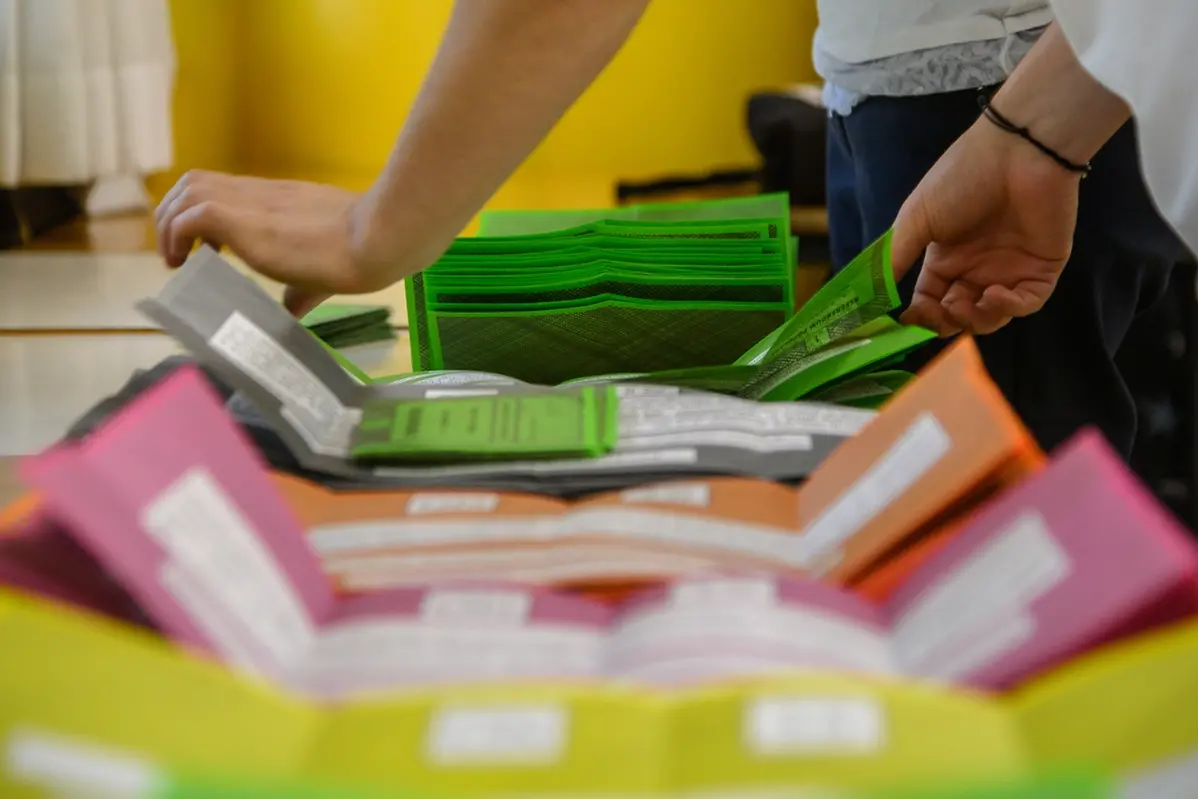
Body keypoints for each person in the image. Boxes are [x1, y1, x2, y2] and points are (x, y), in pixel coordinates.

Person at [155, 0, 1198, 456]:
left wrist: (373, 233)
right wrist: (1033, 132)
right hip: (1003, 97)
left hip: (999, 89)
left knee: (1002, 590)